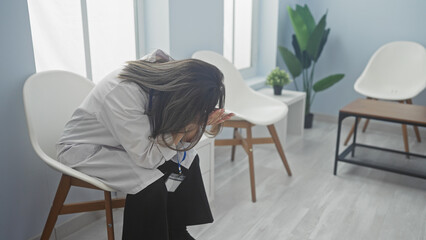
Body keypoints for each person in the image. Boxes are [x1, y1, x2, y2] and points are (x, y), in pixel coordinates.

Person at [56, 49, 234, 239]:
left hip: (125, 143)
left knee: (187, 161)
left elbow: (179, 142)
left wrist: (197, 121)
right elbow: (147, 158)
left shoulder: (169, 80)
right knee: (149, 182)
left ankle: (176, 231)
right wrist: (188, 123)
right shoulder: (123, 92)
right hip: (85, 149)